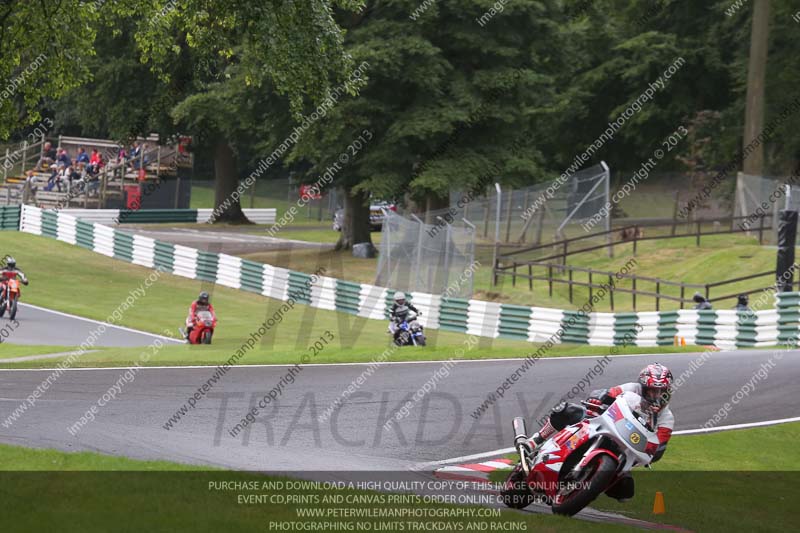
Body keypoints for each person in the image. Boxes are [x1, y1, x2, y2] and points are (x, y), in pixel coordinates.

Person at [527, 363, 675, 502]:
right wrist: (598, 398)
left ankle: (582, 489)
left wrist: (653, 451)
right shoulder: (632, 388)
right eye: (652, 390)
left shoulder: (666, 418)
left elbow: (659, 447)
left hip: (625, 449)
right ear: (642, 388)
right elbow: (607, 393)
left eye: (661, 391)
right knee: (567, 410)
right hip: (607, 425)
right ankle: (535, 441)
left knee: (625, 492)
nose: (656, 396)